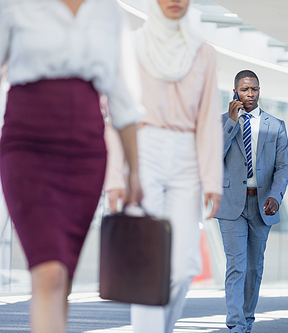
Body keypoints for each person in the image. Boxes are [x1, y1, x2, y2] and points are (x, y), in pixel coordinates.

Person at [0, 0, 143, 332]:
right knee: (48, 273)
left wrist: (134, 168)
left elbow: (121, 93)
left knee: (61, 274)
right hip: (27, 145)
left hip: (85, 152)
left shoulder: (108, 10)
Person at [105, 0, 223, 332]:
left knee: (184, 268)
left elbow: (208, 121)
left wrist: (212, 179)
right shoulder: (131, 46)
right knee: (145, 265)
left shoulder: (203, 52)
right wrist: (116, 175)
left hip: (188, 154)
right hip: (142, 149)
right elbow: (116, 110)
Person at [216, 70, 288, 333]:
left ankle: (247, 320)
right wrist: (231, 122)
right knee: (236, 266)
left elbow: (283, 167)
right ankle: (236, 326)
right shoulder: (222, 122)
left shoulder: (276, 125)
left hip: (262, 204)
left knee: (254, 268)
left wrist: (275, 196)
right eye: (245, 89)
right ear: (234, 91)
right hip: (231, 206)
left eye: (255, 89)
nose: (250, 94)